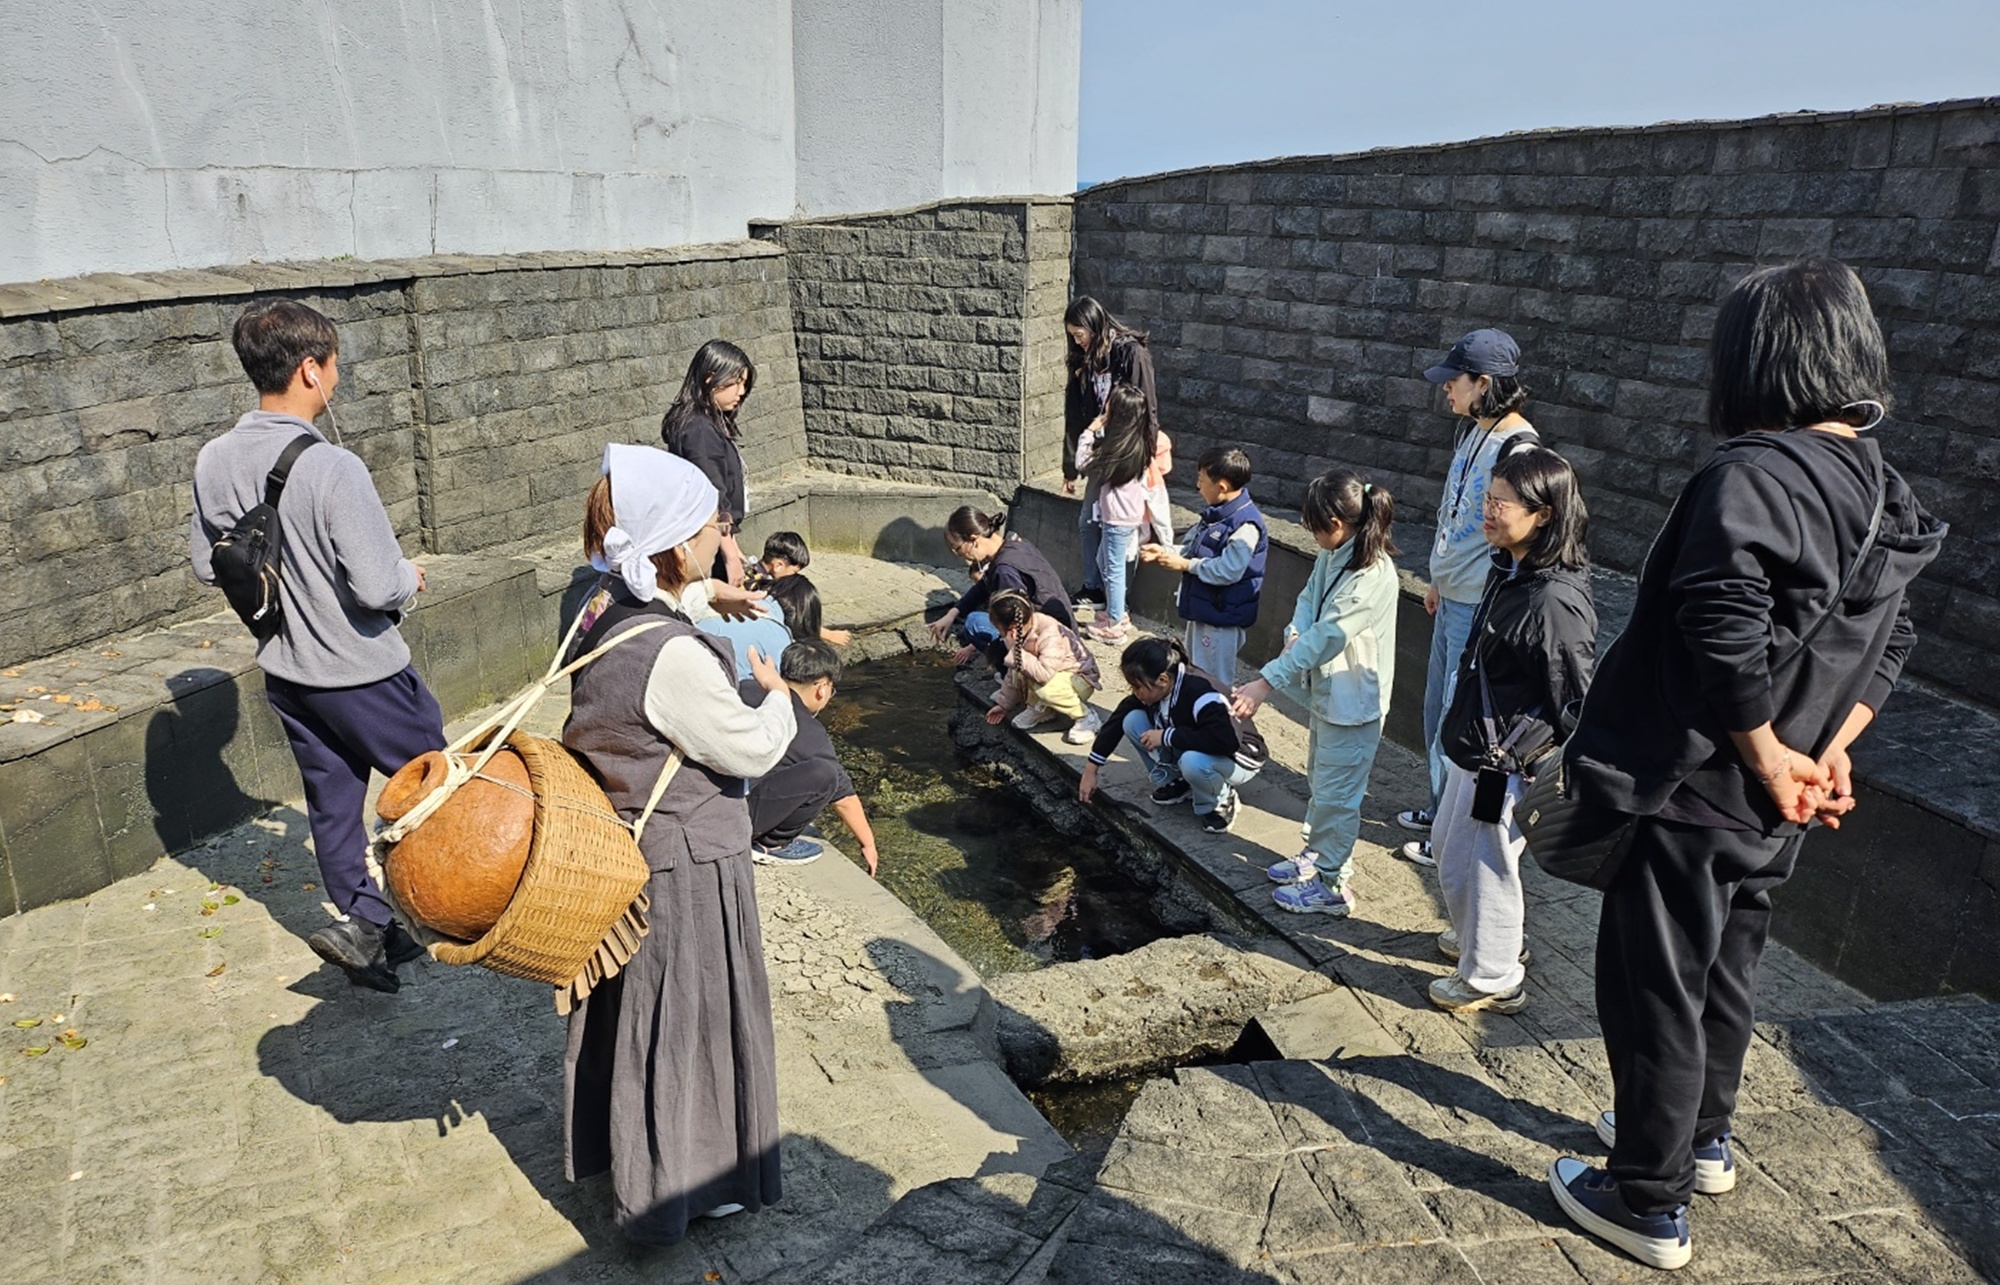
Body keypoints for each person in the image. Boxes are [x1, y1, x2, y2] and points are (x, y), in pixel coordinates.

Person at [1545, 259, 1945, 1272]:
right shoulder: (1881, 490)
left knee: (1653, 986)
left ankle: (1644, 1194)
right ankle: (1701, 1142)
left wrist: (1768, 753)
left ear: (1755, 359)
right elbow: (1886, 644)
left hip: (1697, 787)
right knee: (1728, 968)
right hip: (1774, 800)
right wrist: (1824, 753)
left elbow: (1719, 622)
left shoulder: (1754, 473)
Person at [564, 444, 795, 1245]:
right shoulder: (673, 660)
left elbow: (659, 602)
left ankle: (631, 1160)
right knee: (691, 1021)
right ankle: (679, 1188)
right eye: (709, 526)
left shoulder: (596, 604)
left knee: (639, 1017)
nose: (717, 536)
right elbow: (749, 749)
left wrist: (704, 594)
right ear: (672, 539)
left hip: (631, 844)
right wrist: (781, 699)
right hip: (689, 859)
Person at [189, 300, 441, 994]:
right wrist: (409, 579)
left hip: (288, 671)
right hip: (362, 670)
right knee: (439, 788)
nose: (336, 377)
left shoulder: (213, 461)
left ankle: (367, 925)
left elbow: (206, 561)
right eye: (333, 366)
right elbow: (373, 582)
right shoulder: (333, 467)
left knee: (332, 803)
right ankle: (451, 905)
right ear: (310, 368)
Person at [1428, 448, 1596, 1016]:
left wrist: (1541, 758)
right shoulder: (1512, 570)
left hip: (1501, 760)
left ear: (1542, 513)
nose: (1488, 509)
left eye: (1501, 501)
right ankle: (1485, 941)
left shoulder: (1553, 599)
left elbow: (1574, 696)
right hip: (1473, 744)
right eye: (1488, 496)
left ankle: (1493, 975)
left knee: (1484, 867)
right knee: (1449, 855)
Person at [1231, 470, 1399, 916]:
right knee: (1321, 783)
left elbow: (1329, 635)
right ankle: (1316, 854)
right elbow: (1309, 603)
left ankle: (1333, 885)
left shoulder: (1372, 572)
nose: (1311, 534)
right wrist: (1293, 632)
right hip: (1328, 695)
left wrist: (1266, 680)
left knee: (1338, 797)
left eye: (1313, 525)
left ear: (1337, 523)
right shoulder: (1338, 552)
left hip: (1354, 703)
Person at [1403, 329, 1540, 866]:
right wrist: (1437, 577)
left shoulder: (1519, 447)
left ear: (1484, 383)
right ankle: (1439, 813)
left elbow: (1518, 536)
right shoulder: (1473, 431)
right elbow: (1455, 512)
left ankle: (1447, 838)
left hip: (1480, 602)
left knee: (1457, 718)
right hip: (1452, 591)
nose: (1446, 391)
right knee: (1437, 707)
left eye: (1453, 382)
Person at [1079, 636, 1265, 835]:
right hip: (1201, 744)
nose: (1135, 693)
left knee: (1192, 762)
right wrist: (1091, 770)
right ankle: (1179, 781)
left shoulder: (1202, 693)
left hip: (1238, 756)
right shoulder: (1160, 687)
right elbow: (1116, 722)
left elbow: (1225, 741)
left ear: (1162, 679)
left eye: (1137, 686)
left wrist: (1167, 736)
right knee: (1132, 720)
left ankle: (1220, 799)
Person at [741, 641, 880, 873]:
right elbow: (844, 799)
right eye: (831, 690)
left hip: (709, 795)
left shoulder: (746, 688)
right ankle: (770, 844)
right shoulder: (811, 734)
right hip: (737, 819)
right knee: (825, 774)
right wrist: (868, 844)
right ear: (822, 688)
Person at [1140, 445, 1267, 689]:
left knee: (1213, 684)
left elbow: (1229, 570)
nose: (1198, 486)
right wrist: (1165, 553)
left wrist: (1186, 565)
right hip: (1205, 610)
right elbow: (1193, 553)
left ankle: (1218, 726)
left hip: (1221, 619)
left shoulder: (1245, 524)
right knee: (1195, 675)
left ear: (1221, 487)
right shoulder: (1215, 514)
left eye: (1201, 480)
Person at [1062, 297, 1158, 611]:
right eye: (1073, 336)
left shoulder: (1130, 352)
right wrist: (1069, 467)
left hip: (1126, 455)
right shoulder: (1083, 360)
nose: (1077, 341)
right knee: (1088, 521)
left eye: (1080, 334)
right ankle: (1094, 589)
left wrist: (1146, 456)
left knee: (1120, 532)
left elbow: (1147, 408)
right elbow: (1074, 412)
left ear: (1094, 325)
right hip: (1100, 453)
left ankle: (1117, 609)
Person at [928, 506, 1076, 667]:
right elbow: (983, 586)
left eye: (957, 549)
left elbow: (1015, 623)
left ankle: (1015, 675)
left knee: (975, 623)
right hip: (1066, 634)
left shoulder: (1005, 571)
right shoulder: (1015, 545)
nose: (960, 555)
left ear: (973, 540)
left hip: (1054, 646)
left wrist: (994, 654)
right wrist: (952, 614)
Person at [661, 339, 756, 585]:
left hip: (710, 538)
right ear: (710, 378)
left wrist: (733, 546)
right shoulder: (699, 430)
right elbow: (713, 497)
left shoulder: (702, 421)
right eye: (736, 383)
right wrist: (730, 556)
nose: (741, 392)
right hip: (704, 543)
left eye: (744, 383)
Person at [1073, 384, 1161, 644]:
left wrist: (1089, 432)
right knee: (1104, 562)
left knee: (1112, 569)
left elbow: (1082, 463)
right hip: (1127, 515)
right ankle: (1116, 613)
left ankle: (1115, 625)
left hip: (1117, 519)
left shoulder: (1115, 449)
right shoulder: (1138, 443)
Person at [982, 589, 1105, 746]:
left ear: (1011, 629)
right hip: (1056, 673)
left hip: (1080, 679)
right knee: (1020, 668)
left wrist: (1015, 650)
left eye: (999, 629)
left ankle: (1085, 716)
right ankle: (1041, 709)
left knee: (1045, 687)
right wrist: (1004, 705)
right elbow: (1016, 670)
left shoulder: (1050, 633)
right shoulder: (1023, 630)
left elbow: (1044, 674)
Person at [760, 542, 852, 646]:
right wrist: (829, 635)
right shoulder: (762, 589)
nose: (793, 579)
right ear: (778, 566)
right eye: (794, 573)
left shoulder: (758, 576)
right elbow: (793, 621)